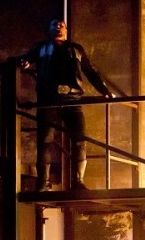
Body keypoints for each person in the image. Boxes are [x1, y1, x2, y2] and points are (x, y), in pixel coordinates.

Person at [19, 18, 113, 191]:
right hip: (48, 100)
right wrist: (24, 62)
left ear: (66, 31)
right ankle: (43, 182)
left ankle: (78, 181)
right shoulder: (40, 48)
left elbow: (90, 71)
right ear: (49, 29)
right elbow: (25, 59)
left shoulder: (76, 49)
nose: (58, 27)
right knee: (45, 141)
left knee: (79, 140)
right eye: (55, 25)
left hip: (72, 100)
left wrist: (104, 91)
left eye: (61, 25)